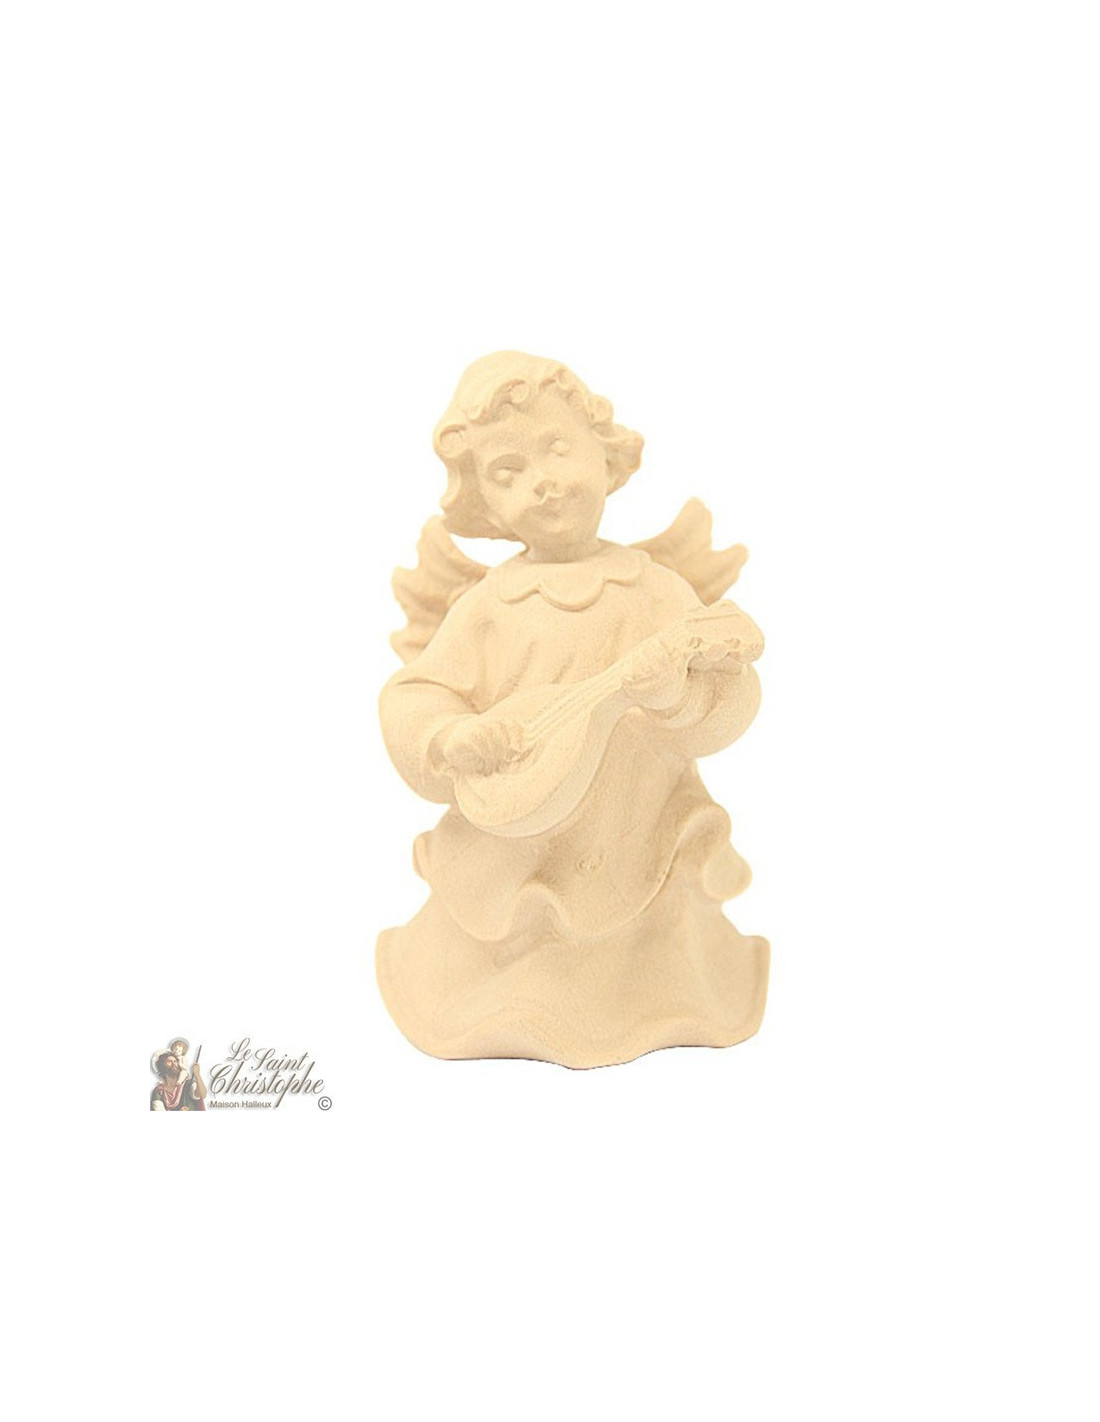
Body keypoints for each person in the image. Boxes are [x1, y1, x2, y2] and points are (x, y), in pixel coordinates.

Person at [378, 352, 768, 1067]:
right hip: (518, 843)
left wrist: (676, 698)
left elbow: (728, 699)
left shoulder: (656, 591)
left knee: (644, 942)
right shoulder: (489, 605)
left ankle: (649, 993)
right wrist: (450, 736)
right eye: (508, 471)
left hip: (641, 828)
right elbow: (417, 691)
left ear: (605, 452)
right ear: (485, 504)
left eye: (557, 448)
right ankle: (507, 993)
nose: (543, 481)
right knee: (517, 931)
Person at [150, 1046, 206, 1110]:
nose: (174, 1064)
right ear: (162, 1066)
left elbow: (202, 1095)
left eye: (175, 1061)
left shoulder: (187, 1084)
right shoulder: (159, 1091)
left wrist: (197, 1075)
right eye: (169, 1061)